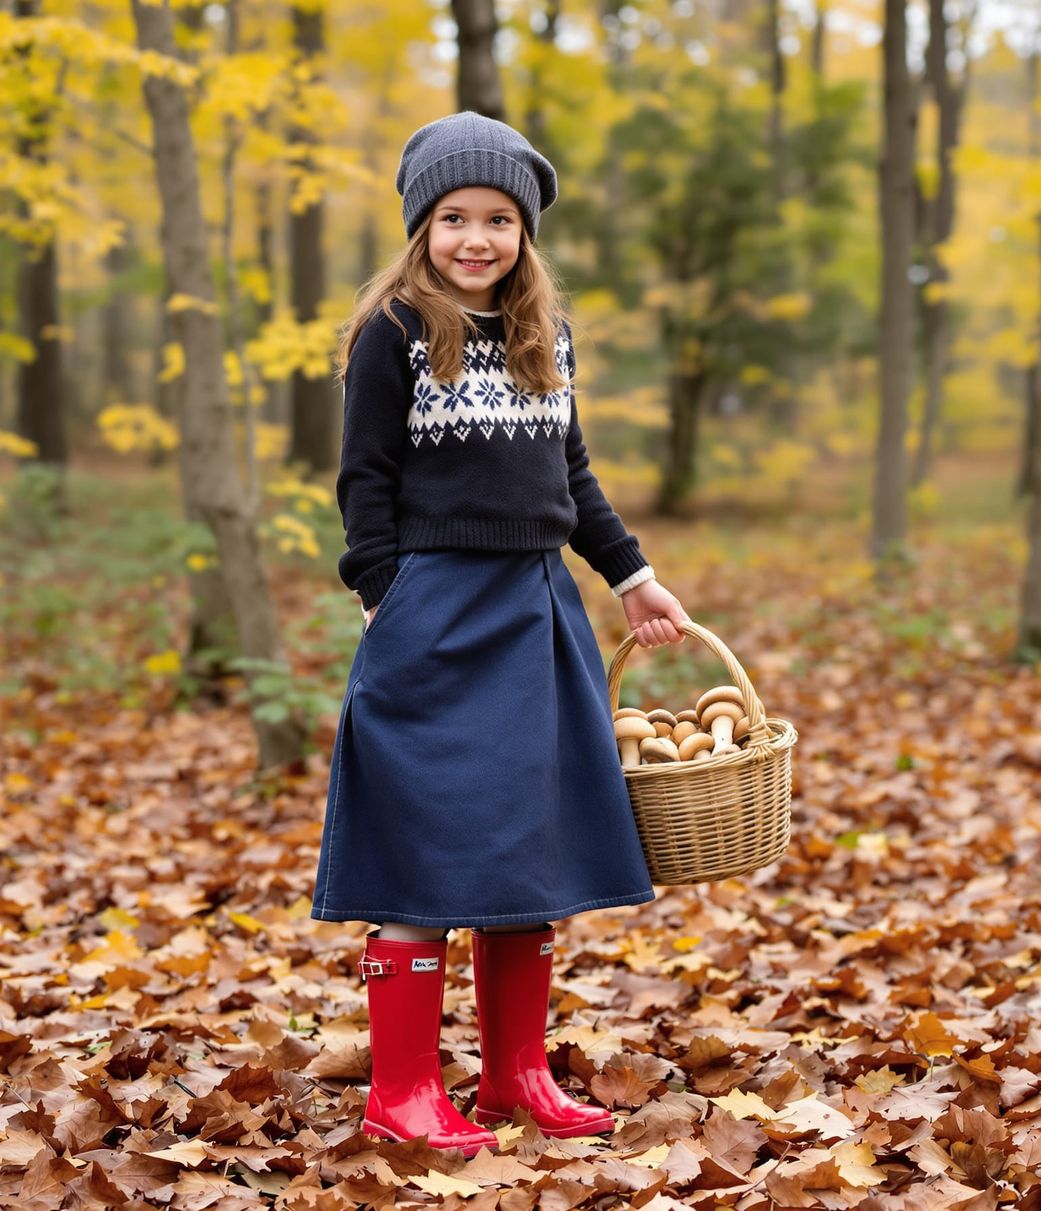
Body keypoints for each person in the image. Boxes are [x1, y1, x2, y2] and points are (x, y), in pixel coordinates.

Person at [311, 111, 691, 1156]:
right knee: (429, 843)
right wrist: (383, 591)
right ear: (420, 227)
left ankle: (517, 1075)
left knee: (525, 845)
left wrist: (632, 576)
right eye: (453, 218)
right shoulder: (392, 332)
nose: (475, 238)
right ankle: (401, 1089)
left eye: (497, 220)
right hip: (432, 613)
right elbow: (364, 480)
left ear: (524, 232)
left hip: (534, 609)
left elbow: (570, 476)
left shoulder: (542, 337)